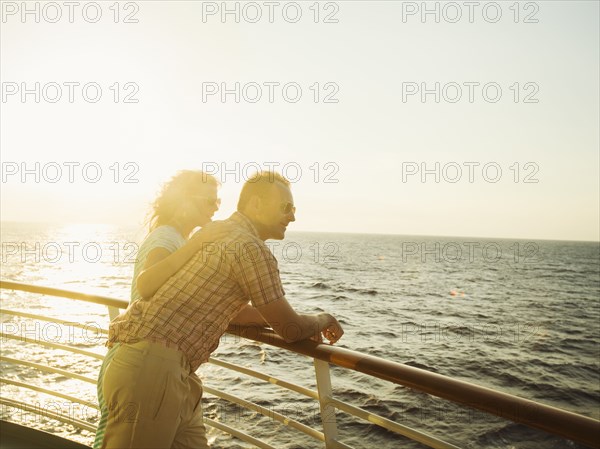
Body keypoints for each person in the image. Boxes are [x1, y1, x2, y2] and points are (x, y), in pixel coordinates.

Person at [101, 171, 344, 449]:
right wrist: (323, 319)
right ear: (255, 204)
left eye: (294, 209)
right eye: (285, 207)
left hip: (167, 370)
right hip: (154, 368)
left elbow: (228, 309)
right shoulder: (250, 249)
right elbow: (290, 329)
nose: (292, 216)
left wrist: (281, 320)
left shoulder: (219, 235)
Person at [93, 170, 221, 449]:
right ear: (184, 202)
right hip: (143, 364)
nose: (215, 208)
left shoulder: (180, 241)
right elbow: (151, 281)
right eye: (208, 202)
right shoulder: (167, 238)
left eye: (217, 202)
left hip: (170, 369)